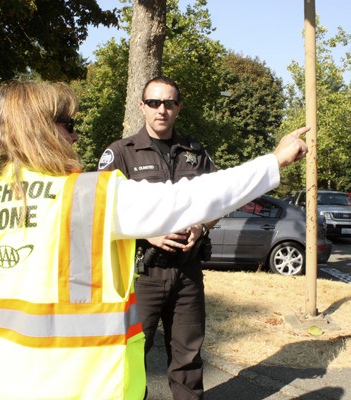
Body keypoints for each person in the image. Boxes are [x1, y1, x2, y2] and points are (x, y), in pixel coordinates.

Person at [0, 80, 307, 400]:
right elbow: (190, 198)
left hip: (8, 384)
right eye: (69, 125)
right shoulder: (88, 195)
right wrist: (275, 161)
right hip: (84, 386)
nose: (75, 137)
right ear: (38, 130)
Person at [97, 76, 215, 399]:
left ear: (178, 108)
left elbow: (218, 200)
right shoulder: (121, 154)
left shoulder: (195, 153)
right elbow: (103, 209)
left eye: (168, 103)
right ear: (142, 106)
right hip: (142, 275)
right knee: (128, 357)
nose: (161, 109)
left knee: (188, 360)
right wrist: (148, 232)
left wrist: (201, 226)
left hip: (188, 274)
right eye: (153, 103)